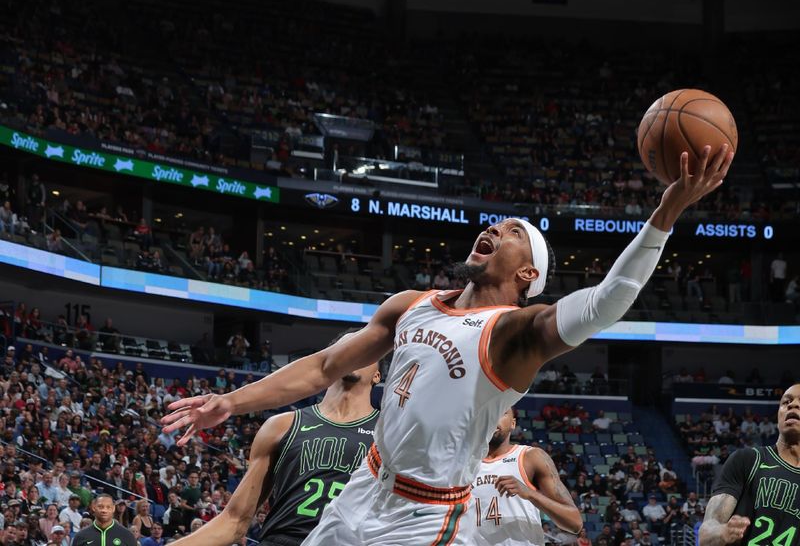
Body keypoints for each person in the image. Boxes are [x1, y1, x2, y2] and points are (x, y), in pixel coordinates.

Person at [162, 146, 732, 546]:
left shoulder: (515, 333)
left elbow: (608, 299)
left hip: (423, 516)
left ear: (529, 273)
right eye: (496, 224)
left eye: (512, 231)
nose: (494, 229)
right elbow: (323, 366)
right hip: (363, 487)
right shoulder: (410, 304)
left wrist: (666, 212)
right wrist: (230, 403)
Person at [165, 354, 381, 546]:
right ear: (331, 361)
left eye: (368, 351)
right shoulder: (282, 425)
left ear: (378, 376)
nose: (356, 354)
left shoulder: (389, 432)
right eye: (349, 348)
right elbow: (235, 520)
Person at [699, 383, 800, 546]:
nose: (793, 404)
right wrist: (723, 532)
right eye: (786, 402)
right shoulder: (747, 460)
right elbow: (706, 534)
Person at [472, 409, 581, 545]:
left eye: (502, 412)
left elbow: (574, 522)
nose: (494, 417)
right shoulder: (462, 465)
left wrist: (530, 494)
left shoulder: (530, 457)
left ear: (513, 423)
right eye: (490, 411)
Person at [72, 493, 138, 546]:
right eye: (100, 506)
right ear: (94, 507)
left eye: (108, 507)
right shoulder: (80, 536)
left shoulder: (127, 535)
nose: (104, 510)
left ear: (113, 508)